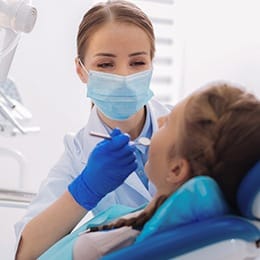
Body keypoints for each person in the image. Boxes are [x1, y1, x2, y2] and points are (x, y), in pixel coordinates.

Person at [29, 82, 260, 259]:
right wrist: (83, 189)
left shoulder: (100, 245)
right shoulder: (207, 226)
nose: (160, 120)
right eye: (106, 64)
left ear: (177, 168)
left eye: (169, 122)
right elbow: (27, 245)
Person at [15, 1, 171, 259]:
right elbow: (26, 252)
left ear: (152, 64)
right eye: (106, 65)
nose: (123, 76)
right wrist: (85, 190)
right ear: (81, 70)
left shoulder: (185, 124)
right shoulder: (79, 154)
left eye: (137, 62)